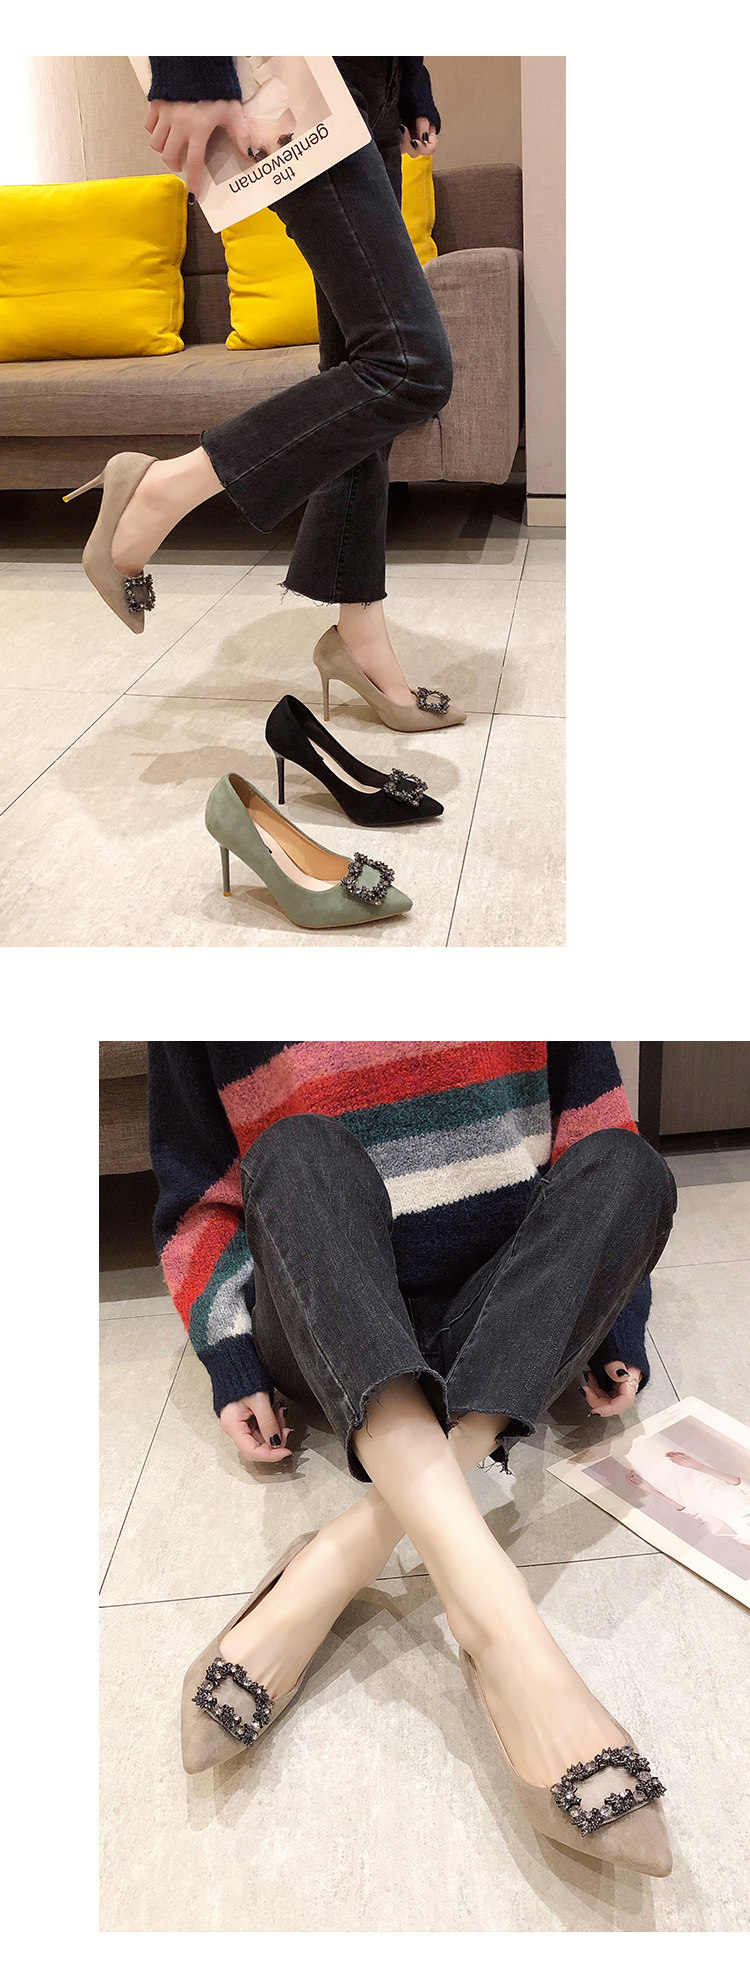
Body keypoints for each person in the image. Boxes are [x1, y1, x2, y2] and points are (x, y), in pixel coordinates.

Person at [148, 1041, 676, 1875]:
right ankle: (499, 1623)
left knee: (630, 1168)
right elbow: (198, 1198)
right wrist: (232, 1351)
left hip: (498, 1303)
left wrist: (612, 1314)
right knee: (294, 1150)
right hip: (326, 1307)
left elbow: (593, 1123)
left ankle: (340, 1555)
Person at [69, 57, 466, 733]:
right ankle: (161, 489)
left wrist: (410, 79)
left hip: (373, 81)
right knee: (410, 367)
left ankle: (361, 635)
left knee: (361, 365)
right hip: (301, 70)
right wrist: (191, 68)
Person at [626, 1437, 750, 1546]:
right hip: (687, 1468)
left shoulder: (741, 1536)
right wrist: (696, 1465)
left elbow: (696, 1512)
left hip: (664, 1485)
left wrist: (649, 1489)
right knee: (639, 1438)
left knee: (624, 1451)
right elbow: (738, 1483)